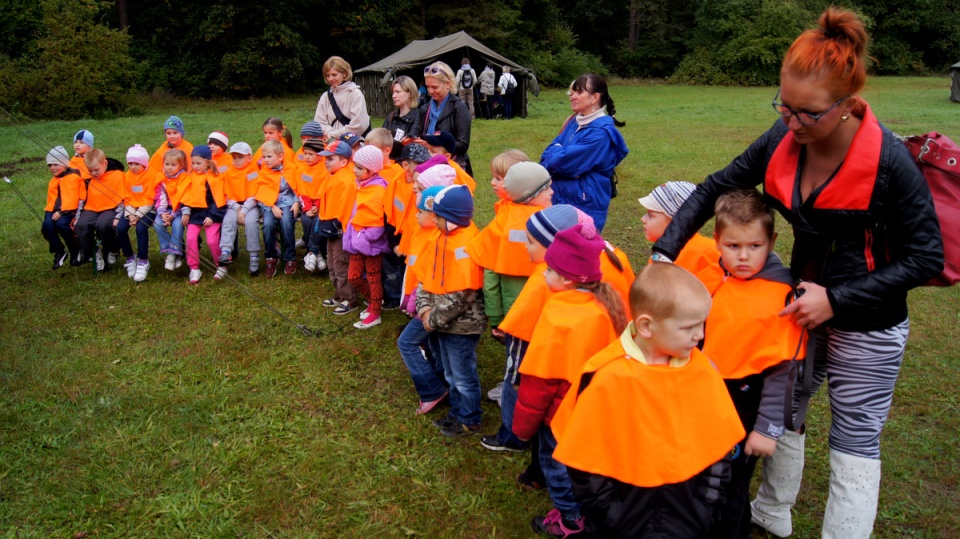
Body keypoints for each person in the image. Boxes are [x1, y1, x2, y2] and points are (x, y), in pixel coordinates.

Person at [652, 8, 943, 538]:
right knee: (785, 409)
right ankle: (772, 512)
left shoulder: (891, 163)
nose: (791, 122)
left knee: (854, 435)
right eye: (782, 107)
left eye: (807, 113)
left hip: (869, 320)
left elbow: (927, 257)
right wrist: (663, 254)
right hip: (794, 309)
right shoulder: (786, 135)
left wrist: (837, 299)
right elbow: (717, 184)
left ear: (848, 104)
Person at [550, 263, 745, 538]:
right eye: (688, 327)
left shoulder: (702, 372)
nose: (700, 335)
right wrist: (607, 511)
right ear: (646, 326)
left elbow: (720, 451)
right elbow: (582, 459)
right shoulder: (607, 376)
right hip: (622, 521)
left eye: (702, 324)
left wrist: (706, 504)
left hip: (689, 517)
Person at [697, 189, 804, 538]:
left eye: (754, 246)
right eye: (733, 246)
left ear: (771, 241)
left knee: (731, 480)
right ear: (717, 241)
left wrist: (767, 428)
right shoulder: (712, 278)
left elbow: (782, 370)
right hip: (708, 395)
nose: (743, 257)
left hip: (746, 400)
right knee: (704, 471)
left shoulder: (780, 294)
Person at [512, 223, 628, 537]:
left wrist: (522, 428)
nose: (544, 272)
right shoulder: (605, 304)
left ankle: (571, 518)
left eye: (549, 268)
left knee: (557, 465)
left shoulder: (559, 317)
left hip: (559, 415)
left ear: (566, 278)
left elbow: (541, 381)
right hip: (593, 409)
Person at [413, 185, 486, 437]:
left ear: (453, 221)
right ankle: (457, 411)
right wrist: (423, 307)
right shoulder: (439, 236)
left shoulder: (466, 246)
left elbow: (462, 295)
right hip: (439, 320)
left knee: (462, 374)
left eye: (438, 216)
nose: (433, 219)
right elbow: (424, 275)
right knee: (450, 371)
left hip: (461, 326)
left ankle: (469, 418)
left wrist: (432, 319)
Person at [540, 74, 628, 232]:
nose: (572, 96)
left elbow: (564, 164)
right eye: (572, 92)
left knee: (576, 251)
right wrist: (558, 153)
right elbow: (548, 153)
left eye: (579, 92)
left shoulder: (601, 134)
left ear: (595, 97)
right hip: (559, 197)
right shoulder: (574, 121)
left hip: (584, 204)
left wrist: (558, 152)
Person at [344, 145, 389, 330]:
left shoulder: (377, 190)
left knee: (373, 277)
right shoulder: (362, 185)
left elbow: (377, 223)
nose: (354, 171)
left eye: (359, 168)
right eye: (355, 166)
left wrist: (364, 237)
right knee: (354, 276)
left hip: (371, 244)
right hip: (357, 242)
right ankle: (373, 301)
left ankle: (375, 311)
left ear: (371, 170)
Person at [639, 181, 717, 275]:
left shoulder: (708, 253)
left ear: (677, 221)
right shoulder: (663, 251)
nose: (643, 219)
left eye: (651, 215)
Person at [175, 146, 227, 284]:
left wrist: (212, 216)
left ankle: (220, 264)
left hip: (212, 215)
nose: (195, 166)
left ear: (208, 163)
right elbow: (185, 196)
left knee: (212, 240)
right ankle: (194, 267)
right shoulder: (189, 177)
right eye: (193, 163)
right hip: (195, 215)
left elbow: (218, 199)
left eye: (199, 163)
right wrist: (186, 212)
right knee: (191, 238)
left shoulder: (215, 178)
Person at [318, 140, 359, 314]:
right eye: (325, 158)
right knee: (332, 261)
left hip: (339, 229)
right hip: (329, 225)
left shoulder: (347, 180)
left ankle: (350, 299)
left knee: (341, 263)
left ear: (344, 161)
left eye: (330, 158)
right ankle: (339, 294)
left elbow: (347, 207)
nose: (326, 161)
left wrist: (340, 226)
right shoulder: (332, 176)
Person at [254, 139, 300, 277]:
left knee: (286, 222)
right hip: (270, 205)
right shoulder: (264, 172)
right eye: (264, 157)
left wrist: (297, 202)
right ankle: (271, 257)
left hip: (288, 202)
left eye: (269, 157)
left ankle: (290, 257)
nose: (266, 160)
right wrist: (271, 206)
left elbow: (299, 187)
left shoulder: (291, 168)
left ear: (280, 156)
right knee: (268, 225)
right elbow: (261, 191)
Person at [418, 61, 473, 175]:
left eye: (435, 87)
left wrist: (436, 145)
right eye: (428, 87)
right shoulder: (425, 109)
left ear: (448, 84)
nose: (430, 91)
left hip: (452, 167)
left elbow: (462, 145)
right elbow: (419, 134)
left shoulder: (459, 108)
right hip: (428, 164)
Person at [76, 149, 124, 271]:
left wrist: (119, 215)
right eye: (90, 170)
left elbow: (123, 197)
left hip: (111, 207)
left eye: (96, 170)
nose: (93, 173)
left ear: (105, 164)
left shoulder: (117, 175)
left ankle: (113, 249)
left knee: (103, 225)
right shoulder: (89, 178)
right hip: (92, 207)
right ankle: (93, 252)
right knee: (81, 225)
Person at [117, 144, 160, 282]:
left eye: (137, 163)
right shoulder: (126, 177)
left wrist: (138, 215)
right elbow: (126, 198)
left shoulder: (152, 175)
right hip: (131, 210)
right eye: (130, 163)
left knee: (141, 228)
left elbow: (150, 199)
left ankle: (143, 260)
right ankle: (130, 257)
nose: (133, 167)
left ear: (144, 163)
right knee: (121, 228)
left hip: (147, 210)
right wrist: (130, 214)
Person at [220, 142, 261, 275]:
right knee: (228, 221)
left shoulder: (254, 171)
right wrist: (236, 207)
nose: (236, 160)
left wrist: (243, 211)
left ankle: (254, 255)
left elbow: (255, 194)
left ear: (249, 157)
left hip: (251, 205)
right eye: (234, 157)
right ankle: (226, 251)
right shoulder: (228, 173)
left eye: (240, 157)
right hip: (234, 205)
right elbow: (225, 194)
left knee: (251, 223)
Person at [41, 146, 84, 269]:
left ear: (64, 164)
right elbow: (52, 199)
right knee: (47, 226)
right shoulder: (54, 180)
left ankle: (75, 249)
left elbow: (74, 198)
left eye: (55, 164)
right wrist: (52, 211)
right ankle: (59, 251)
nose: (52, 168)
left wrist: (61, 212)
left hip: (69, 211)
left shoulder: (73, 178)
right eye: (50, 165)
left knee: (62, 226)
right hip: (53, 210)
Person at [314, 56, 370, 140]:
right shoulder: (325, 97)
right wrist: (329, 135)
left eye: (334, 75)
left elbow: (359, 125)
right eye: (327, 75)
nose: (330, 79)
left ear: (344, 74)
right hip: (330, 143)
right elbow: (319, 123)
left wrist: (335, 135)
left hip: (352, 143)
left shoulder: (355, 94)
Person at [296, 139, 329, 274]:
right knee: (306, 220)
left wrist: (318, 206)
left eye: (311, 154)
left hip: (322, 205)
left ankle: (312, 252)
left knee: (317, 221)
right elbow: (301, 190)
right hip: (307, 205)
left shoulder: (326, 169)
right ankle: (317, 253)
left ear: (320, 155)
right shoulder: (301, 169)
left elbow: (327, 190)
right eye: (305, 153)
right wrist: (308, 207)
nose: (307, 157)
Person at [156, 150, 188, 271]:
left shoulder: (184, 177)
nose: (169, 167)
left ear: (181, 166)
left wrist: (174, 214)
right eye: (167, 164)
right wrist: (162, 213)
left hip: (179, 210)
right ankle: (172, 251)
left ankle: (175, 253)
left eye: (173, 165)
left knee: (178, 225)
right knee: (158, 223)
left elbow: (183, 198)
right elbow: (159, 197)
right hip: (165, 209)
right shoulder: (161, 178)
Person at [382, 75, 422, 161]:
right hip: (388, 162)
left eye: (398, 92)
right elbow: (379, 138)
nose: (394, 96)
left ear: (409, 94)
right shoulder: (391, 116)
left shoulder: (418, 117)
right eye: (393, 92)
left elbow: (410, 143)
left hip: (405, 164)